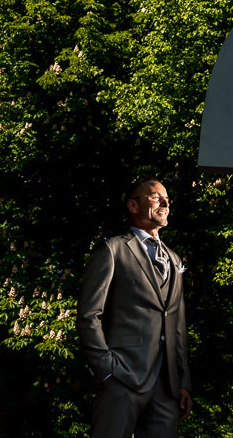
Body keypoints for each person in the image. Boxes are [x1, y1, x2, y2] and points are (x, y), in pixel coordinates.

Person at [77, 179, 194, 438]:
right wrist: (106, 369)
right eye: (155, 197)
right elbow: (89, 315)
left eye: (167, 199)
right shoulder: (113, 249)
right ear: (133, 204)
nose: (164, 203)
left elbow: (177, 328)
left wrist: (183, 382)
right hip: (122, 376)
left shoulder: (175, 260)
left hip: (167, 387)